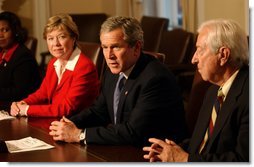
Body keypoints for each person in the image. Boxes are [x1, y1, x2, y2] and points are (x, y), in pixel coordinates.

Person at [48, 16, 187, 146]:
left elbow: (133, 132)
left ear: (136, 48)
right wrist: (68, 123)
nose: (109, 55)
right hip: (122, 146)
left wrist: (80, 135)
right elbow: (99, 111)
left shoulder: (155, 79)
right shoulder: (114, 70)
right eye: (105, 47)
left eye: (116, 47)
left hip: (150, 154)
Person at [143, 19, 249, 162]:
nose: (193, 59)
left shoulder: (248, 97)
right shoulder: (212, 91)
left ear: (223, 55)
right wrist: (172, 150)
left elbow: (242, 160)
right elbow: (201, 143)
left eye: (200, 50)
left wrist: (186, 159)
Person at [10, 13, 100, 117]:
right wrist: (22, 103)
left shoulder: (84, 67)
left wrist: (26, 110)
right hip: (56, 121)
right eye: (50, 38)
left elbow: (66, 108)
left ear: (73, 38)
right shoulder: (53, 62)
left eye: (61, 37)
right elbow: (42, 93)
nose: (56, 43)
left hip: (77, 125)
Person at [0, 11, 41, 111]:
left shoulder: (23, 56)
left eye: (5, 30)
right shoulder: (2, 51)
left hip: (19, 108)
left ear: (15, 31)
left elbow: (20, 92)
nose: (0, 35)